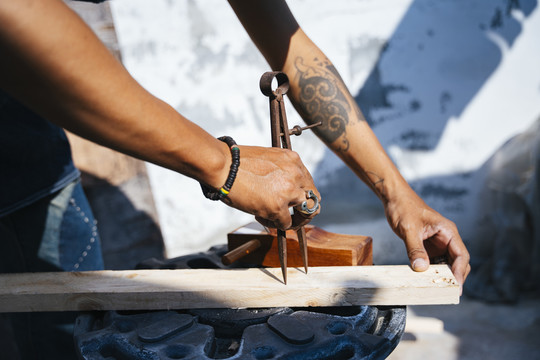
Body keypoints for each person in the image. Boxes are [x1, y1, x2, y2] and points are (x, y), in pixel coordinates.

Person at [0, 0, 469, 358]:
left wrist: (397, 193)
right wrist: (226, 167)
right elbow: (17, 21)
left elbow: (294, 54)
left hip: (31, 163)